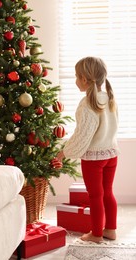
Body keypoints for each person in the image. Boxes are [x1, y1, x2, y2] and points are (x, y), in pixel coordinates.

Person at [57, 56, 120, 243]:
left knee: (95, 196)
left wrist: (63, 152)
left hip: (94, 158)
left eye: (77, 76)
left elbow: (81, 136)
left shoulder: (87, 104)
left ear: (85, 79)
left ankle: (96, 234)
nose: (76, 80)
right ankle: (110, 230)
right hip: (111, 154)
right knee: (107, 193)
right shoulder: (109, 97)